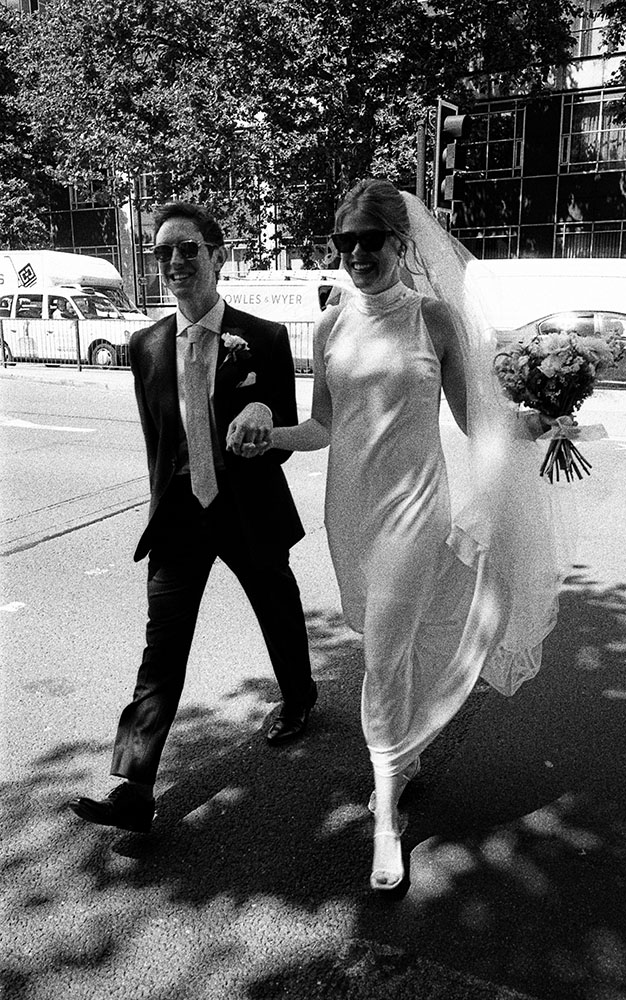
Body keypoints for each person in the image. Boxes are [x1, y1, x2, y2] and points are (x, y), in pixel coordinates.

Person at [234, 179, 568, 891]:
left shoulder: (435, 320)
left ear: (398, 244)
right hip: (350, 511)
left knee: (384, 653)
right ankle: (405, 757)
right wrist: (269, 434)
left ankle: (386, 813)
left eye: (369, 241)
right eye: (343, 242)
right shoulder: (328, 325)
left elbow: (474, 419)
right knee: (394, 642)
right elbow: (321, 426)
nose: (356, 253)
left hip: (417, 512)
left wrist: (531, 422)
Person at [69, 201, 316, 834]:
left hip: (248, 510)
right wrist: (160, 510)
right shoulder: (145, 345)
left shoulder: (264, 337)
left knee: (278, 609)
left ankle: (299, 697)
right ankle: (134, 787)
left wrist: (264, 426)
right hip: (180, 517)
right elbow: (158, 441)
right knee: (162, 650)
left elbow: (288, 430)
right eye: (163, 253)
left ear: (217, 255)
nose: (175, 262)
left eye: (188, 250)